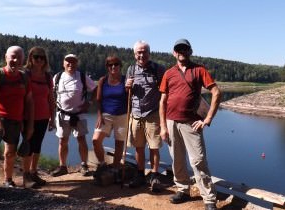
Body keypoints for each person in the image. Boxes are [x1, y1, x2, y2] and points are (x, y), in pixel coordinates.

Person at [159, 39, 221, 210]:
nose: (181, 52)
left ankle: (209, 199)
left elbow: (216, 92)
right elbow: (162, 101)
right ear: (174, 52)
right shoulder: (169, 73)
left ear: (190, 51)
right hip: (171, 123)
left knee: (198, 160)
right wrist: (163, 127)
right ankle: (183, 190)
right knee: (177, 160)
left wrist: (207, 119)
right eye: (178, 49)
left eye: (185, 49)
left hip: (191, 124)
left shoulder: (199, 70)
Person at [0, 46, 34, 187]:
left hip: (15, 120)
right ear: (6, 57)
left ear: (23, 60)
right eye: (12, 56)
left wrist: (30, 126)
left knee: (10, 153)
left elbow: (30, 102)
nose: (15, 60)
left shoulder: (24, 78)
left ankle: (8, 180)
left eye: (19, 57)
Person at [125, 40, 165, 191]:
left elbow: (165, 92)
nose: (142, 55)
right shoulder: (130, 69)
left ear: (149, 52)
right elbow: (127, 93)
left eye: (144, 51)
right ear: (135, 54)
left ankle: (154, 176)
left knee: (154, 148)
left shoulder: (158, 69)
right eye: (139, 52)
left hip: (153, 114)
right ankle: (140, 175)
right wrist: (127, 87)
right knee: (138, 147)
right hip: (135, 114)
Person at [50, 53, 96, 177]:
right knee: (62, 141)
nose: (70, 64)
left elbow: (95, 89)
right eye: (68, 61)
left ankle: (84, 165)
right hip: (62, 114)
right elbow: (51, 93)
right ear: (63, 63)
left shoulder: (82, 76)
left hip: (79, 114)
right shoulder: (57, 77)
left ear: (77, 63)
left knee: (81, 140)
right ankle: (63, 166)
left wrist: (89, 103)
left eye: (73, 61)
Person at [21, 46, 56, 187]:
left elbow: (51, 98)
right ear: (31, 58)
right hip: (27, 117)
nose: (39, 60)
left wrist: (52, 118)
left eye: (42, 57)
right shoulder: (25, 74)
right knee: (28, 145)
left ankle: (34, 172)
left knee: (37, 145)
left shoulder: (47, 76)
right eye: (36, 57)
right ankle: (26, 175)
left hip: (43, 116)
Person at [92, 56, 127, 178]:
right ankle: (102, 164)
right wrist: (99, 116)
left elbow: (130, 99)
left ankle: (116, 167)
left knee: (119, 144)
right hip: (106, 115)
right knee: (96, 140)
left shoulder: (125, 80)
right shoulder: (103, 80)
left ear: (120, 66)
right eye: (110, 65)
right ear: (107, 67)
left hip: (122, 115)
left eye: (116, 64)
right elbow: (98, 99)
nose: (113, 67)